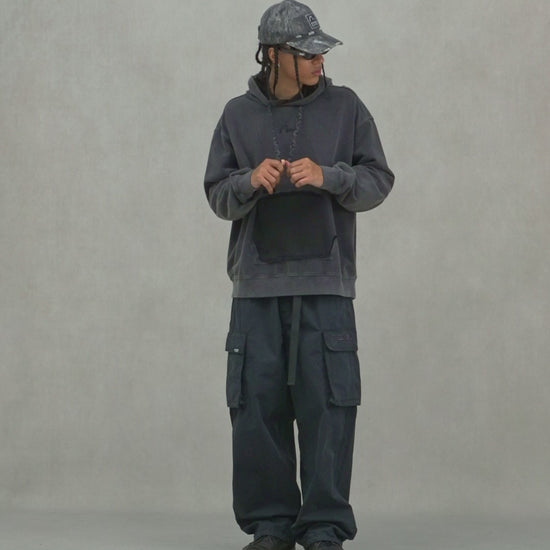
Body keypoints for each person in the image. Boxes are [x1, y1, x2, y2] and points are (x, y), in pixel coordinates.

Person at [204, 1, 394, 549]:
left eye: (319, 52)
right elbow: (216, 195)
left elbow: (378, 180)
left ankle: (324, 529)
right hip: (256, 288)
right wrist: (247, 182)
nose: (318, 61)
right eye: (306, 53)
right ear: (272, 54)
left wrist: (330, 176)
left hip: (325, 286)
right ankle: (270, 527)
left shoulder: (346, 107)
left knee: (329, 408)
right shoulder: (236, 115)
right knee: (256, 408)